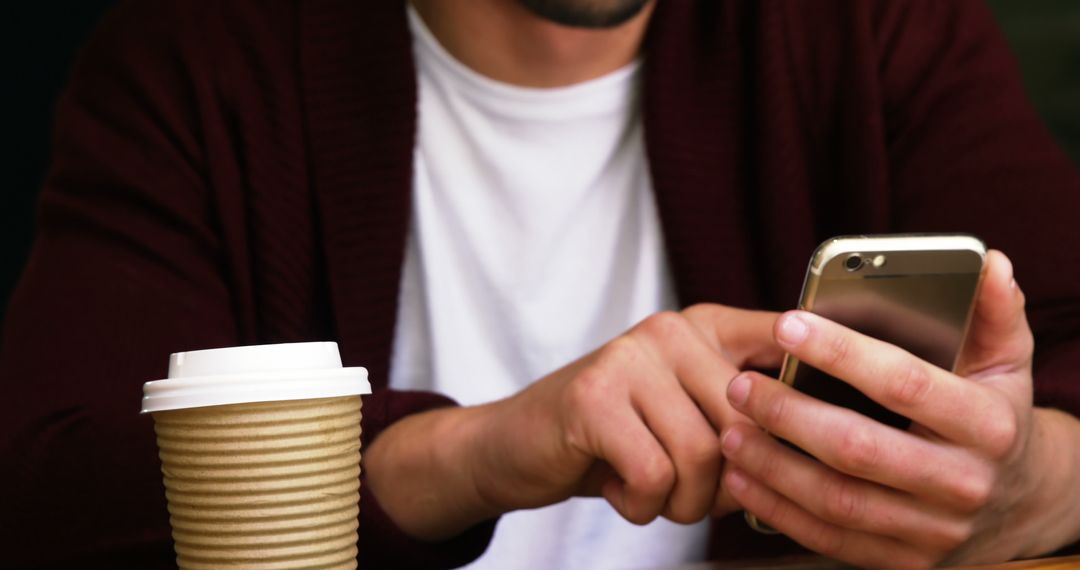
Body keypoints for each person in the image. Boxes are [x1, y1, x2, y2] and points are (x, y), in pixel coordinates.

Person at [2, 0, 1079, 568]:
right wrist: (474, 453)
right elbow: (46, 489)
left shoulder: (877, 24)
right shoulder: (191, 56)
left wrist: (1024, 483)